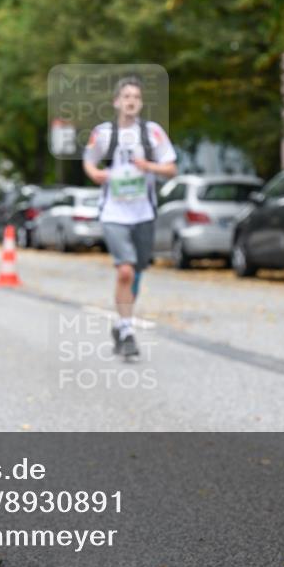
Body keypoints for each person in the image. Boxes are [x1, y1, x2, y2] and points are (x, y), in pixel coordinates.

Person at [83, 76, 177, 358]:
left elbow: (171, 168)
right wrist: (96, 174)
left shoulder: (152, 133)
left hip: (143, 213)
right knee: (125, 269)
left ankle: (122, 321)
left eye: (136, 96)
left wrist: (149, 166)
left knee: (135, 272)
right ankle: (127, 330)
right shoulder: (103, 133)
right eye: (126, 96)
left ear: (141, 102)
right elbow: (88, 160)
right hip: (113, 212)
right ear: (117, 102)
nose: (131, 101)